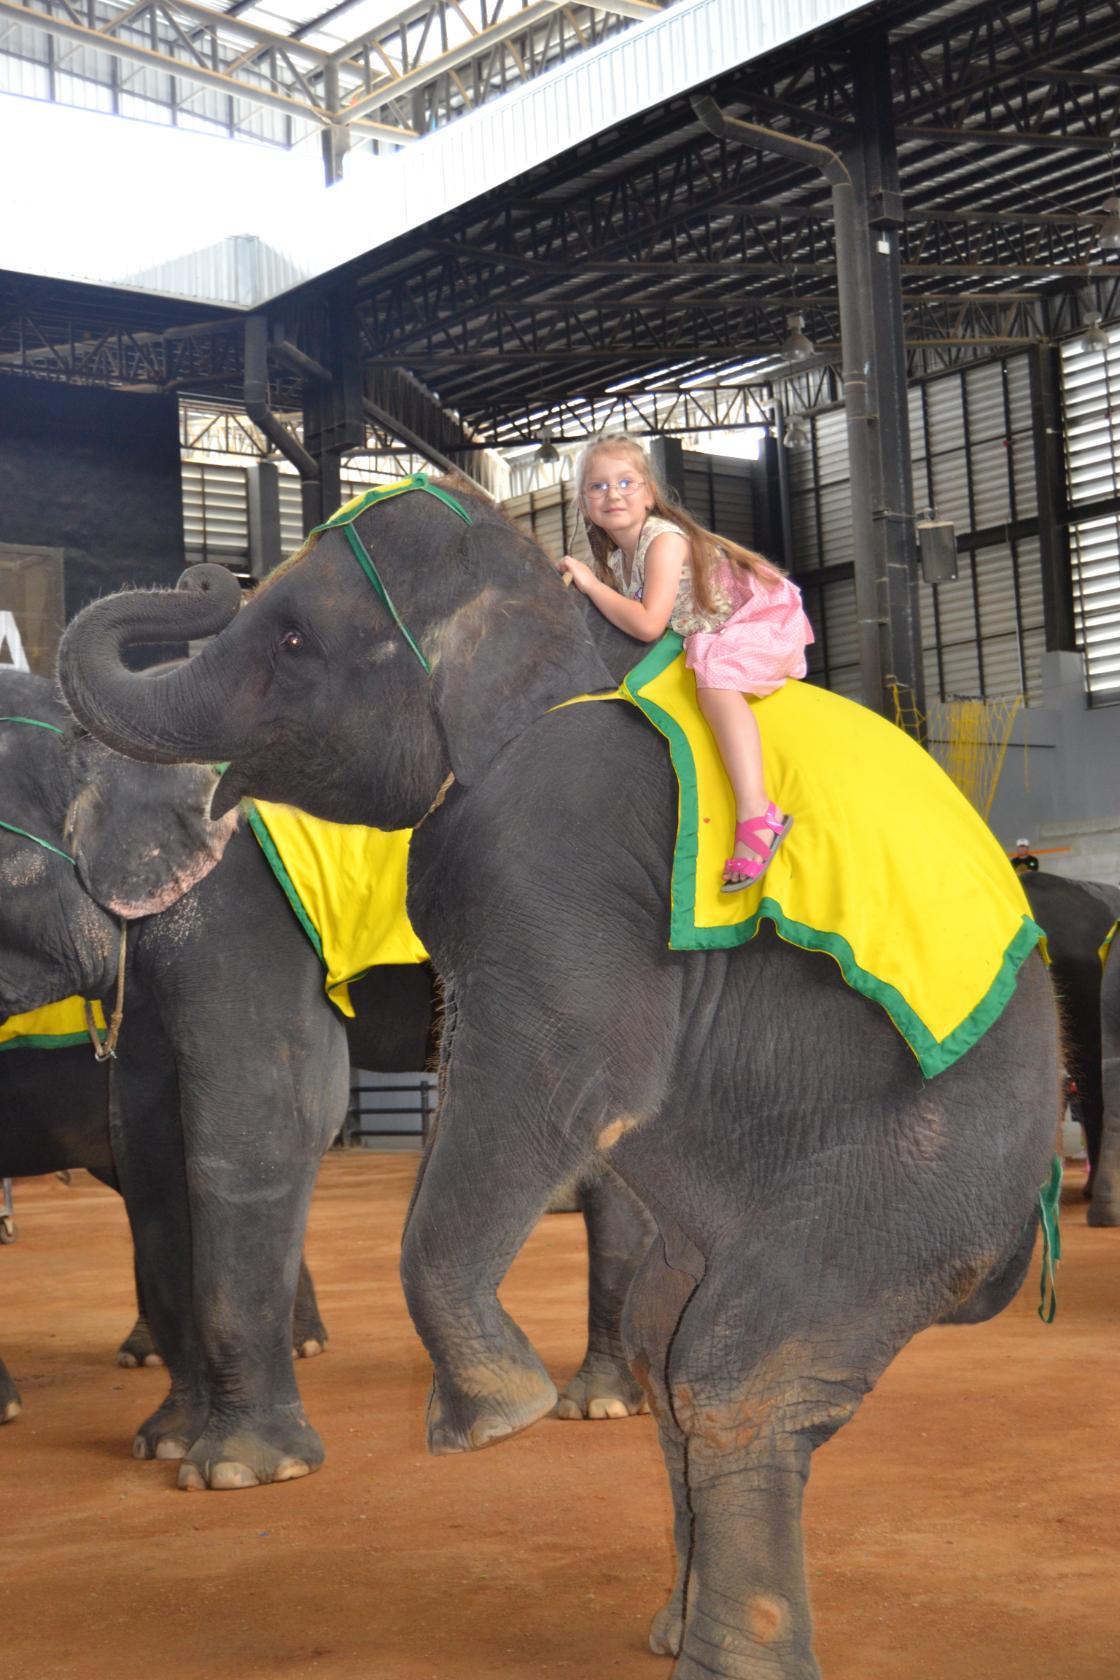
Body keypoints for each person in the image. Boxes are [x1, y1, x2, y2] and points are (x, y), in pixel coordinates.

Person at [558, 433, 814, 892]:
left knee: (714, 677)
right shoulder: (619, 559)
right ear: (583, 502)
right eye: (597, 487)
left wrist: (590, 586)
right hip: (705, 632)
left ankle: (758, 814)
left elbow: (649, 625)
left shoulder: (663, 540)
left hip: (755, 616)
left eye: (625, 482)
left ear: (649, 494)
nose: (612, 493)